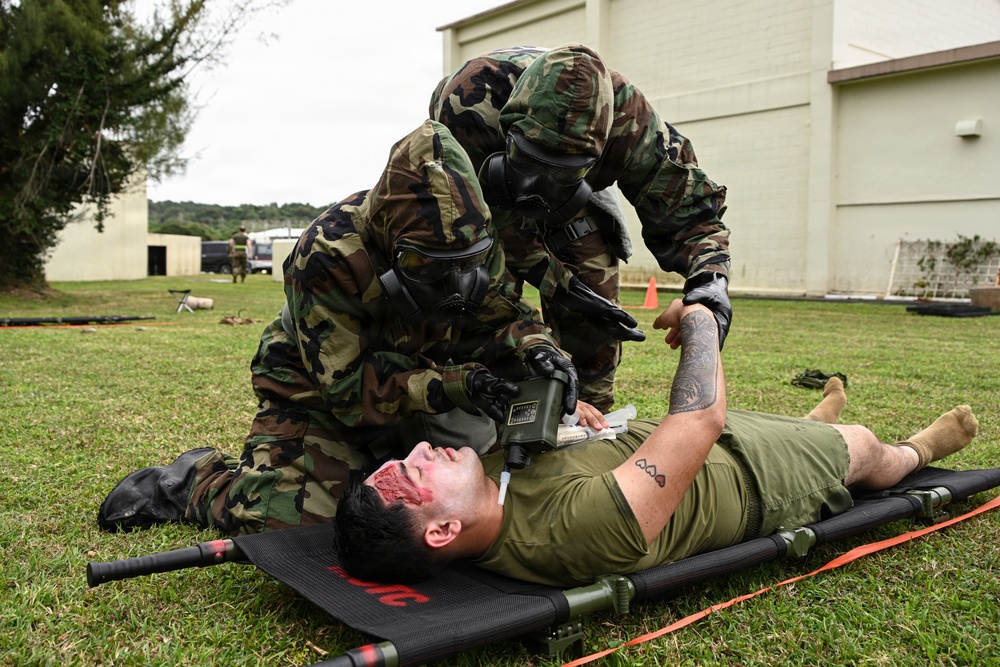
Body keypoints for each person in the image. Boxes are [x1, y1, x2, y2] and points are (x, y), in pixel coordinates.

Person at [97, 120, 580, 536]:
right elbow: (348, 392)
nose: (454, 287)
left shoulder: (473, 235)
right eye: (423, 264)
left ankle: (373, 461)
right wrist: (456, 385)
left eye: (466, 264)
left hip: (431, 384)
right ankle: (196, 481)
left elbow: (504, 315)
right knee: (287, 524)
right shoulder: (327, 254)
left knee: (481, 497)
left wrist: (537, 347)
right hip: (325, 393)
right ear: (387, 236)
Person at [336, 298, 979, 587]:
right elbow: (698, 421)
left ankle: (817, 418)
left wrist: (574, 422)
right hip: (754, 474)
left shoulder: (490, 486)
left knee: (810, 426)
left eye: (406, 455)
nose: (422, 449)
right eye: (415, 472)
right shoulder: (572, 533)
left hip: (695, 443)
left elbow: (584, 456)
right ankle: (918, 450)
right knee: (864, 448)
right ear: (442, 532)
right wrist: (702, 318)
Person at [429, 44, 732, 411]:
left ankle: (589, 420)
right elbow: (475, 228)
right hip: (485, 189)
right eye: (533, 159)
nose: (539, 187)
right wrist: (558, 283)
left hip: (578, 205)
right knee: (473, 298)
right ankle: (488, 414)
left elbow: (692, 215)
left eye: (561, 170)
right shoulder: (469, 103)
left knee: (594, 313)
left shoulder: (630, 124)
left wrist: (709, 285)